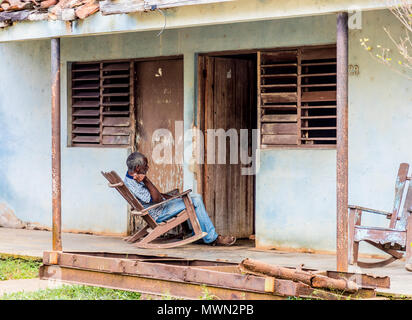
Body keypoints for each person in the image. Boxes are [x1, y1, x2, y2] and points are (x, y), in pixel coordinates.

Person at [123, 151, 236, 246]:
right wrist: (146, 180)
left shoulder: (130, 178)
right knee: (195, 199)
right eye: (145, 165)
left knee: (190, 197)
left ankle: (195, 233)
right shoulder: (135, 184)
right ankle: (212, 238)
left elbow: (156, 196)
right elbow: (157, 199)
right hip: (158, 212)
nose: (148, 167)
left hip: (157, 208)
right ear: (137, 168)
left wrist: (171, 197)